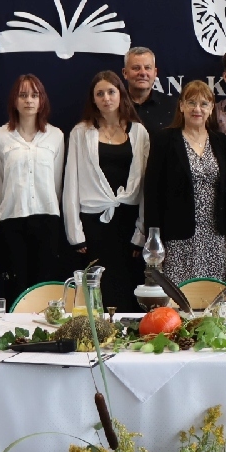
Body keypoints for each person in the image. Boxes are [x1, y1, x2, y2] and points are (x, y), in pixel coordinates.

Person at [63, 71, 150, 313]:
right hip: (93, 224)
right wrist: (75, 233)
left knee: (128, 289)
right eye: (99, 93)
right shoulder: (81, 132)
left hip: (129, 224)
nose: (106, 98)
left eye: (111, 92)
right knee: (98, 290)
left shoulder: (139, 132)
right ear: (93, 99)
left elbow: (145, 186)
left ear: (121, 94)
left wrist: (141, 231)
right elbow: (71, 184)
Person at [144, 80, 226, 285]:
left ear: (211, 108)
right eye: (191, 102)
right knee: (178, 294)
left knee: (211, 294)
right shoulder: (165, 139)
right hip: (177, 236)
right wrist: (154, 240)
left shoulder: (220, 141)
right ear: (181, 106)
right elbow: (152, 192)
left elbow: (225, 191)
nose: (197, 109)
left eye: (204, 103)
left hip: (214, 236)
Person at [0, 74, 67, 303]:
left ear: (42, 100)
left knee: (44, 288)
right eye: (23, 95)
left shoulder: (55, 136)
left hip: (47, 220)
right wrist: (9, 207)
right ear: (14, 100)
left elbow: (56, 182)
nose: (29, 100)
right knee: (16, 287)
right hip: (11, 221)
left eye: (34, 95)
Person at [123, 46, 175, 132]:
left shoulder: (173, 106)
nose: (143, 73)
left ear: (155, 73)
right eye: (136, 68)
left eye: (147, 68)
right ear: (125, 73)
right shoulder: (114, 106)